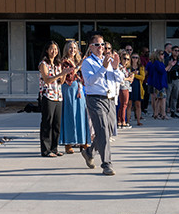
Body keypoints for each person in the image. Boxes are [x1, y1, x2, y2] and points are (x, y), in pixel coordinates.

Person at [80, 33, 124, 176]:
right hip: (95, 99)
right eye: (97, 45)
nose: (101, 47)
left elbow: (120, 79)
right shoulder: (87, 62)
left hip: (110, 98)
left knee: (109, 130)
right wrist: (104, 68)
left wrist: (116, 67)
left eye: (102, 44)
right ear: (91, 47)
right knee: (103, 130)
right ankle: (106, 164)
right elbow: (89, 81)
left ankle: (89, 151)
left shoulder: (109, 60)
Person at [58, 41, 89, 153]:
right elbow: (70, 75)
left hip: (79, 89)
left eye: (75, 48)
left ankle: (82, 141)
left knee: (81, 114)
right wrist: (79, 65)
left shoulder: (78, 60)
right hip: (69, 89)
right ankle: (69, 143)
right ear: (66, 49)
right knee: (70, 114)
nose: (73, 50)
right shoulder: (64, 61)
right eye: (70, 48)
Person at [38, 42, 67, 157]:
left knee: (57, 124)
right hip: (48, 96)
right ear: (47, 50)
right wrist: (60, 74)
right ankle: (46, 150)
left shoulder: (57, 64)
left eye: (56, 49)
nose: (54, 51)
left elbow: (61, 82)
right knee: (47, 123)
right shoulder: (43, 64)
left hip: (58, 96)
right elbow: (47, 80)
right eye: (51, 49)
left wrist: (64, 74)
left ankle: (54, 148)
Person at [145, 51, 169, 120]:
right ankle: (162, 114)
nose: (163, 55)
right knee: (160, 98)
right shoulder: (156, 63)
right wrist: (169, 65)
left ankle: (156, 113)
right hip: (158, 83)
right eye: (161, 54)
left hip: (159, 82)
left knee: (158, 98)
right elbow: (162, 71)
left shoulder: (160, 63)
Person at [129, 52, 146, 126]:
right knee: (129, 105)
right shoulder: (128, 67)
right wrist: (133, 73)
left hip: (138, 87)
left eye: (136, 57)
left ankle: (138, 120)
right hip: (129, 86)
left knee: (138, 105)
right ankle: (128, 121)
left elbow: (143, 77)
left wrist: (134, 75)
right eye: (133, 57)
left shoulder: (141, 67)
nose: (135, 59)